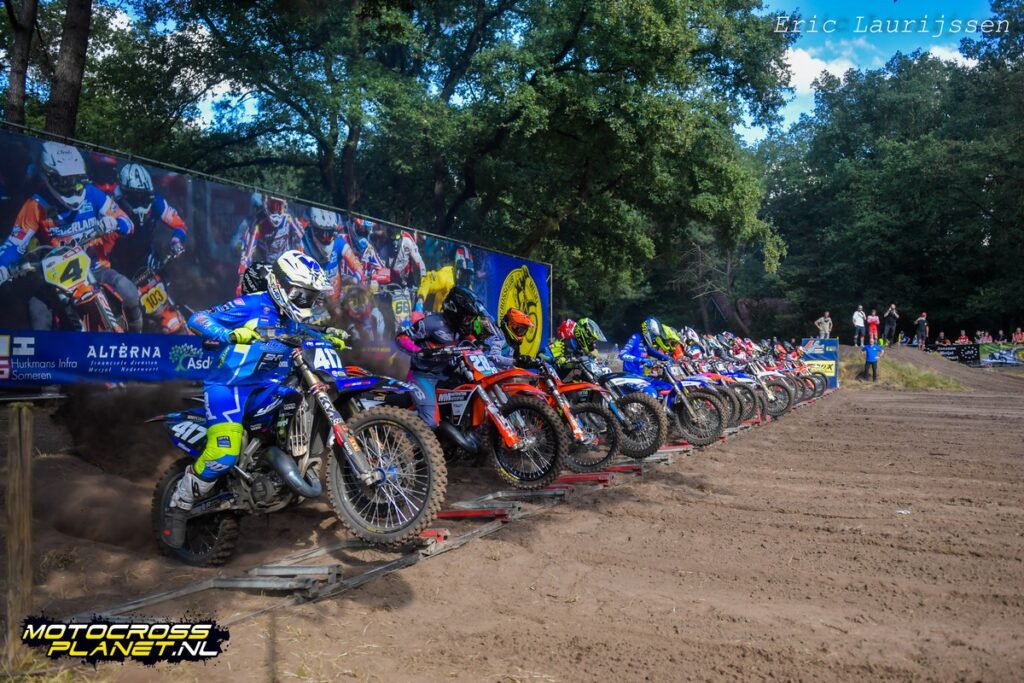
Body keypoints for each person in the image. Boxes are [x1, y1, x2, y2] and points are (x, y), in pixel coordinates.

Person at [164, 250, 342, 547]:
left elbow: (302, 331)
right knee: (223, 454)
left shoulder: (289, 316)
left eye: (311, 297)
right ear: (283, 286)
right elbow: (198, 318)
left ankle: (274, 470)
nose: (307, 302)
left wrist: (327, 335)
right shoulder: (252, 305)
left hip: (268, 386)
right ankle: (178, 506)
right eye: (303, 295)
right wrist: (229, 335)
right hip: (229, 387)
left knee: (300, 403)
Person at [0, 142, 139, 331]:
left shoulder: (92, 194)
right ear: (49, 177)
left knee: (129, 292)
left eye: (77, 180)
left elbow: (128, 223)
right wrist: (2, 266)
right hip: (55, 278)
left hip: (95, 268)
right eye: (65, 182)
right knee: (38, 315)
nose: (73, 187)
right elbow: (14, 244)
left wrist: (114, 223)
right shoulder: (36, 204)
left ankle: (137, 338)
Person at [395, 285, 486, 429]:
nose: (469, 322)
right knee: (430, 423)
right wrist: (420, 351)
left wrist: (479, 344)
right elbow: (401, 338)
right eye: (467, 318)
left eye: (471, 318)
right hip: (422, 376)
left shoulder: (461, 328)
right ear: (455, 311)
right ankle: (402, 432)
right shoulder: (432, 322)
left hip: (446, 375)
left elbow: (471, 339)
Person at [108, 163, 188, 274]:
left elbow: (180, 226)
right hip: (115, 262)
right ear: (125, 193)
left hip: (146, 259)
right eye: (136, 196)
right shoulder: (111, 202)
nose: (141, 200)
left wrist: (176, 241)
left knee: (164, 275)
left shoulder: (156, 202)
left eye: (144, 195)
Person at [237, 195, 305, 293]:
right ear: (265, 204)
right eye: (272, 206)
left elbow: (300, 239)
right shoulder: (258, 224)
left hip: (286, 266)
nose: (276, 211)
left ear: (284, 206)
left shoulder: (289, 218)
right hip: (266, 268)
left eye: (279, 206)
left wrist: (299, 267)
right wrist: (241, 282)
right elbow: (247, 254)